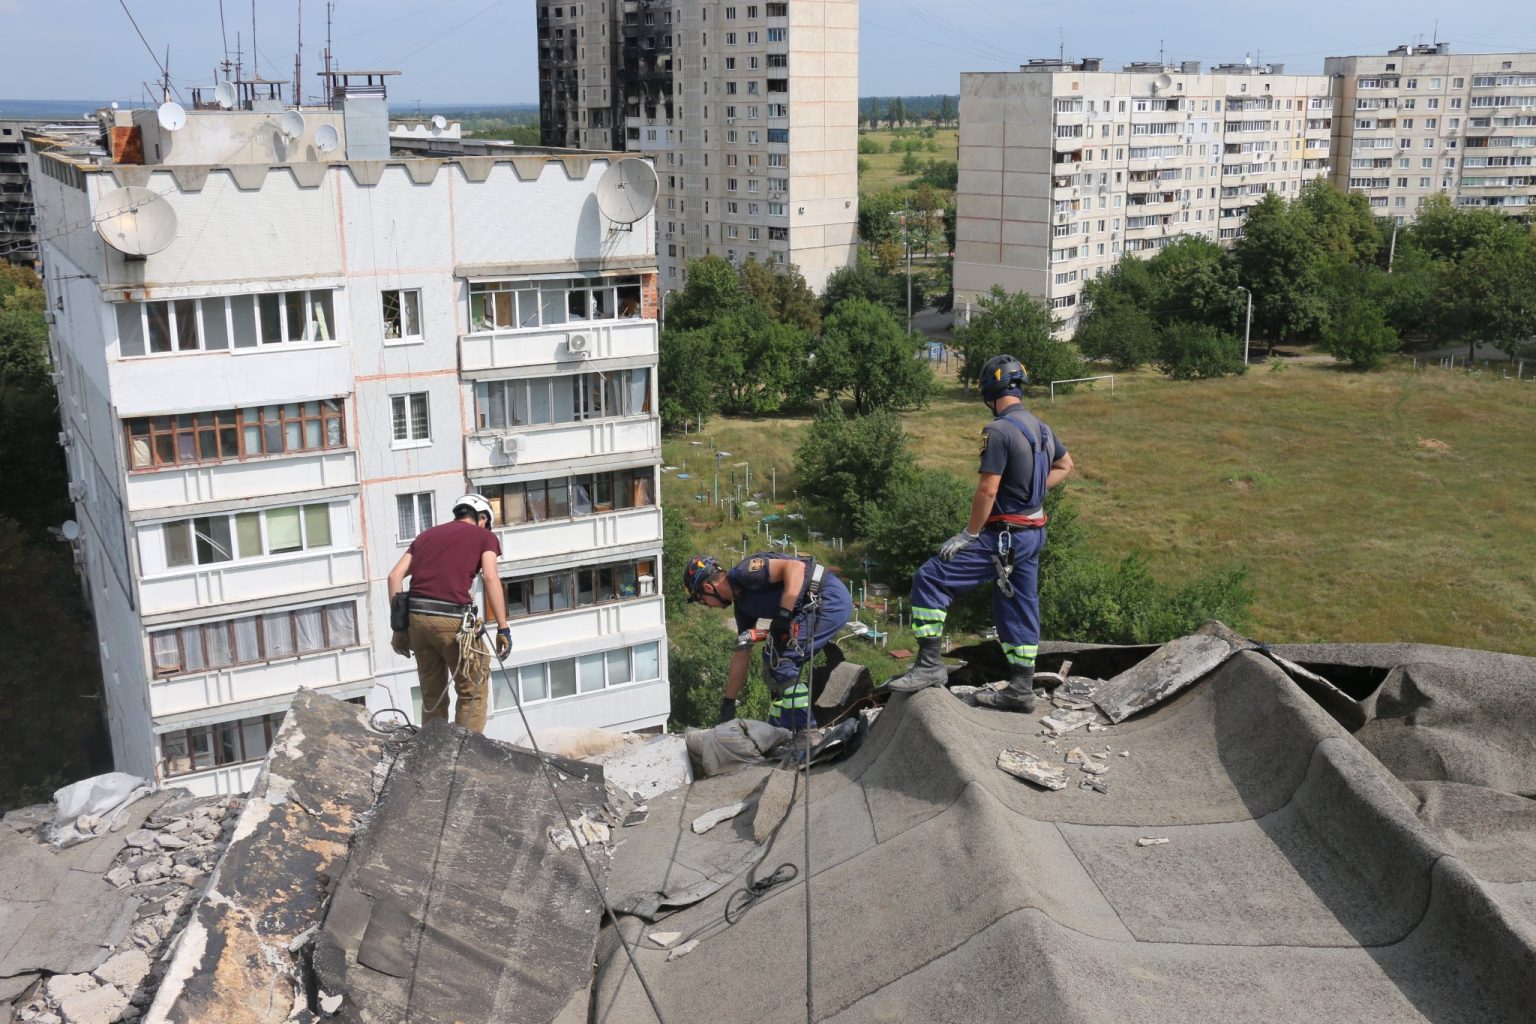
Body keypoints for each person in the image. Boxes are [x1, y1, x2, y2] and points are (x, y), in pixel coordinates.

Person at [889, 355, 1074, 711]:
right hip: (1032, 534)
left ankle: (929, 666)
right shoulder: (1043, 428)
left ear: (989, 392)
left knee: (930, 578)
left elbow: (987, 490)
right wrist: (1032, 494)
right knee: (1018, 605)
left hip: (1003, 536)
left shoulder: (999, 431)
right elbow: (1066, 464)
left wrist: (969, 534)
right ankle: (1020, 689)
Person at [683, 552, 853, 730]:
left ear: (709, 588)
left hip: (827, 598)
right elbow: (742, 653)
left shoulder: (745, 572)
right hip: (814, 606)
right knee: (772, 667)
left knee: (781, 660)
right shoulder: (743, 607)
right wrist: (729, 703)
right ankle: (781, 729)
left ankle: (805, 732)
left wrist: (784, 614)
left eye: (702, 601)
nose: (708, 606)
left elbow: (795, 568)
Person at [387, 494, 512, 733]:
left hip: (417, 622)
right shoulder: (485, 537)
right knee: (471, 689)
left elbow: (394, 577)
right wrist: (503, 628)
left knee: (432, 694)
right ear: (482, 518)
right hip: (453, 622)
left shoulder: (426, 536)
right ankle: (464, 752)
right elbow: (489, 576)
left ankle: (432, 746)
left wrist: (400, 629)